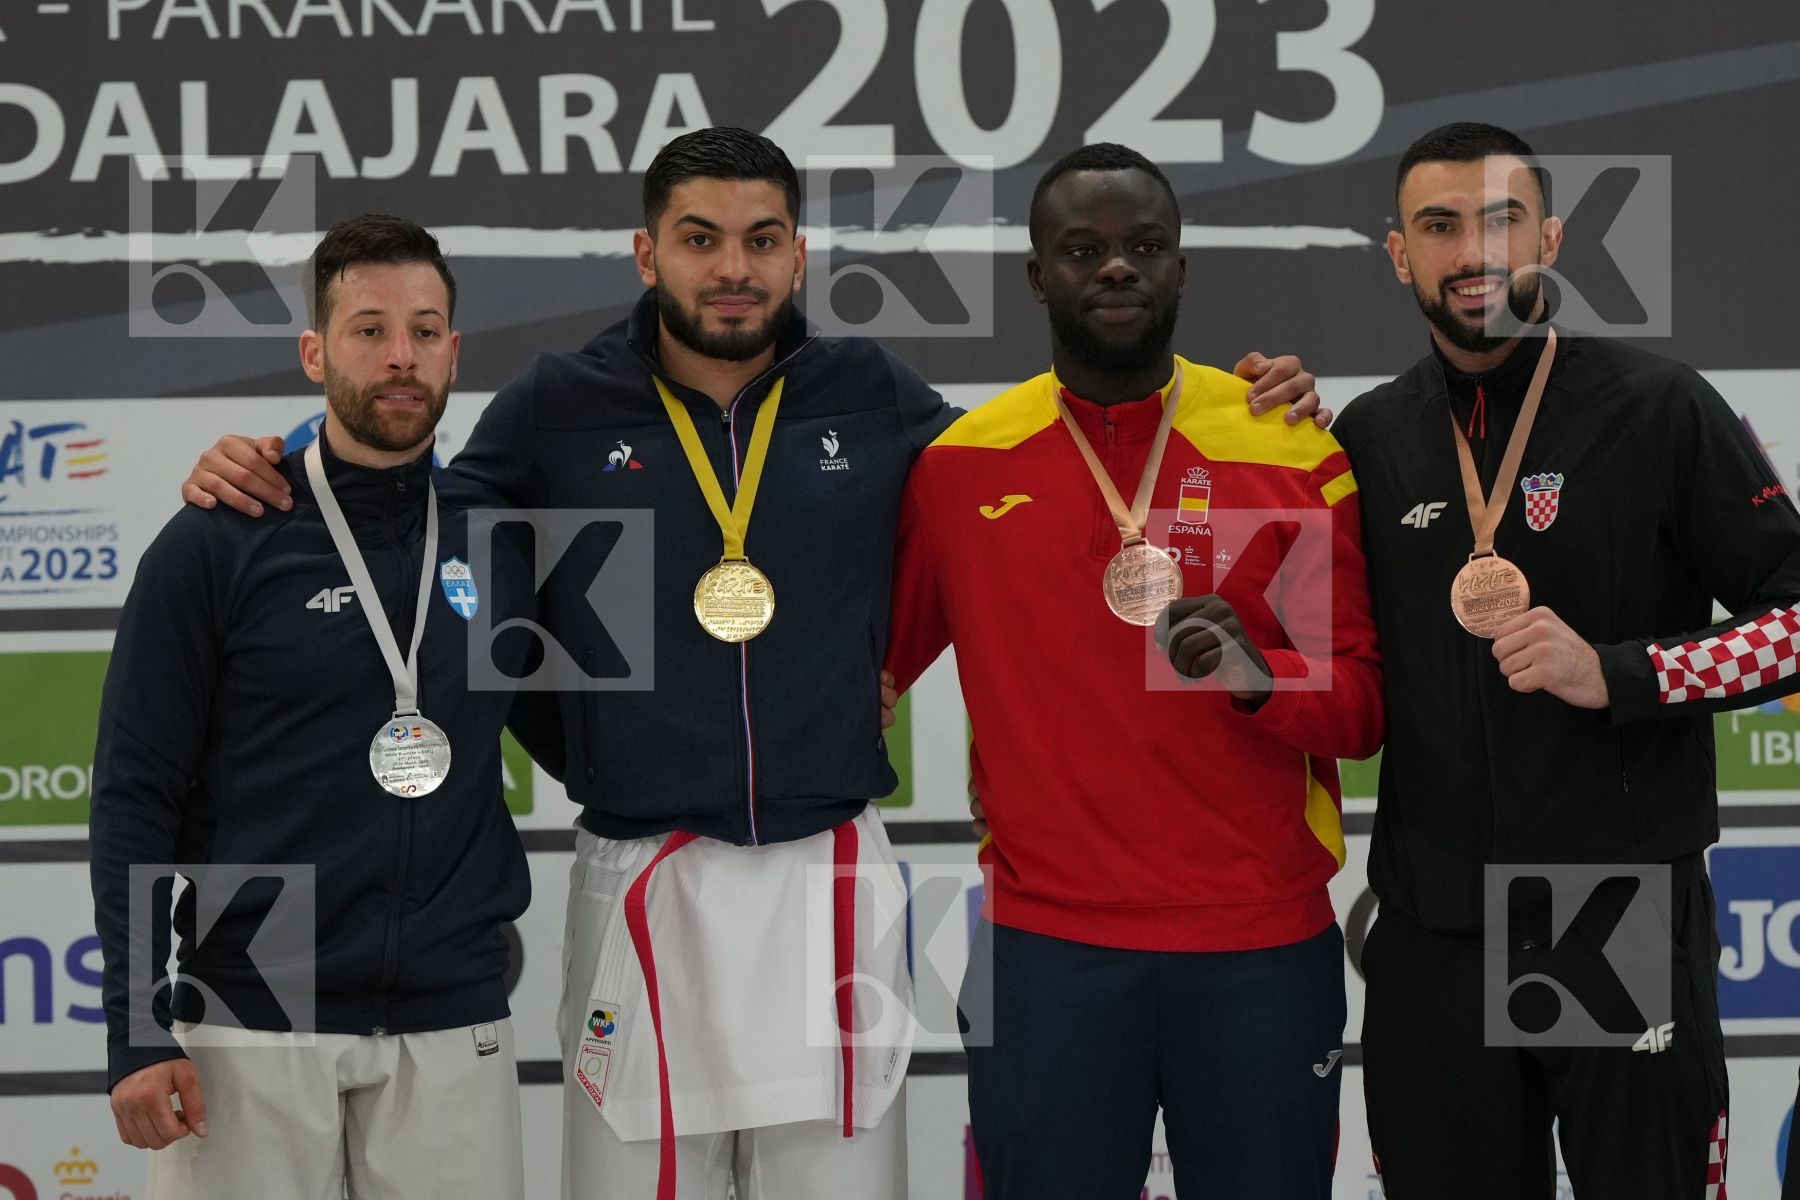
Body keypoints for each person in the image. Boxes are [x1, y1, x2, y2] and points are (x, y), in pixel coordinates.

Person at [178, 128, 1323, 1200]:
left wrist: (1256, 403)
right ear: (646, 253)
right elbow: (412, 519)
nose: (734, 268)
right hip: (640, 867)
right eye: (701, 239)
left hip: (828, 872)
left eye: (762, 240)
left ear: (797, 254)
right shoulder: (558, 408)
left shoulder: (874, 399)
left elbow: (1058, 471)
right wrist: (274, 463)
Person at [884, 142, 1383, 1200]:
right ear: (1035, 276)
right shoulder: (961, 465)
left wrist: (1262, 680)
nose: (1117, 269)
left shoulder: (1286, 445)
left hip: (1258, 946)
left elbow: (1359, 710)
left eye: (1145, 247)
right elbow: (865, 674)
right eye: (1083, 249)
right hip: (1044, 952)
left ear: (1183, 269)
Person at [1321, 121, 1800, 1198]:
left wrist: (1623, 674)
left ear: (1551, 234)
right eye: (1438, 226)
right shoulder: (1368, 435)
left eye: (1500, 219)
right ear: (1399, 254)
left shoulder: (1656, 405)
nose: (1472, 250)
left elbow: (1796, 616)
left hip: (1606, 903)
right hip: (1434, 921)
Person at [91, 214, 553, 1199]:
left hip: (451, 1015)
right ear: (314, 351)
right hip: (249, 1019)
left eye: (426, 332)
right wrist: (133, 1027)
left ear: (454, 352)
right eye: (369, 329)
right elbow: (136, 792)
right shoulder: (221, 538)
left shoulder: (500, 535)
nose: (401, 357)